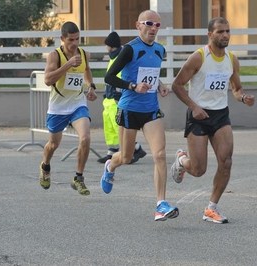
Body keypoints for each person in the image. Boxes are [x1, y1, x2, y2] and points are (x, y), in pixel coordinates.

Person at [171, 17, 255, 224]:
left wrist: (243, 98)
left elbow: (236, 89)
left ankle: (211, 208)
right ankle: (182, 160)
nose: (225, 35)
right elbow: (177, 85)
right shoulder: (198, 57)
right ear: (210, 35)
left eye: (227, 31)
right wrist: (194, 107)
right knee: (199, 170)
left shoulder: (232, 60)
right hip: (198, 117)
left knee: (226, 162)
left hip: (220, 116)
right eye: (220, 32)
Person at [100, 10, 179, 221]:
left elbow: (151, 74)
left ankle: (160, 204)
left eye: (157, 25)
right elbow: (108, 77)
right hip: (129, 109)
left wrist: (160, 85)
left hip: (151, 110)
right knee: (125, 157)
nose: (153, 28)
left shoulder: (160, 50)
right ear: (138, 25)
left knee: (160, 155)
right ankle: (111, 166)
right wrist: (133, 86)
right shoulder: (129, 50)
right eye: (149, 24)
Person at [39, 21, 98, 196]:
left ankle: (78, 178)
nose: (74, 43)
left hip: (78, 105)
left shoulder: (84, 54)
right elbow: (48, 80)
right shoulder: (54, 56)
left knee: (85, 137)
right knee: (53, 144)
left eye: (77, 39)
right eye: (71, 40)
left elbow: (86, 71)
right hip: (58, 108)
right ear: (62, 39)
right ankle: (45, 166)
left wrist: (91, 86)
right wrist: (67, 65)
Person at [98, 31, 147, 164]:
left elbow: (120, 78)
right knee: (110, 127)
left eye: (106, 44)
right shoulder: (113, 57)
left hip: (116, 99)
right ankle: (112, 152)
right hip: (108, 99)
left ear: (110, 45)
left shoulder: (119, 57)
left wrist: (117, 96)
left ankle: (135, 148)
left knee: (119, 126)